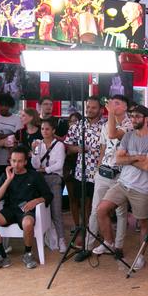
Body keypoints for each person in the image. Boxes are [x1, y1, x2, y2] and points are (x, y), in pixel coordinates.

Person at [94, 105, 148, 271]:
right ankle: (109, 242)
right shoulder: (128, 136)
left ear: (146, 119)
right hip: (123, 183)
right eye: (132, 116)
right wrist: (137, 157)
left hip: (142, 189)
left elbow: (147, 166)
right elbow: (118, 160)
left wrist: (128, 159)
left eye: (137, 116)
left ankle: (141, 256)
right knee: (101, 209)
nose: (133, 119)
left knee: (143, 222)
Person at [78, 95, 132, 261]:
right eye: (111, 103)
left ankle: (118, 246)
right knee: (95, 209)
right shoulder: (104, 125)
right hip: (104, 172)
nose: (112, 106)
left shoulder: (129, 124)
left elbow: (113, 134)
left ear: (125, 107)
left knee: (121, 212)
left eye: (117, 103)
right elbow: (103, 148)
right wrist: (98, 167)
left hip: (120, 174)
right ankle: (88, 246)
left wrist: (109, 114)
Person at [0, 146, 53, 271]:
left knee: (28, 223)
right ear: (10, 161)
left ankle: (28, 254)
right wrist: (8, 180)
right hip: (10, 209)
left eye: (20, 161)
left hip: (26, 210)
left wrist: (35, 201)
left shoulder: (34, 176)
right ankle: (2, 256)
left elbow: (48, 195)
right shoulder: (5, 176)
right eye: (13, 161)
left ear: (25, 162)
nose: (16, 164)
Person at [64, 96, 104, 236]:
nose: (89, 110)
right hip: (81, 171)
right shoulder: (78, 126)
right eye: (88, 107)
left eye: (93, 108)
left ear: (101, 110)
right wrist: (79, 149)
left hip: (99, 172)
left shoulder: (105, 127)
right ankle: (84, 229)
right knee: (81, 201)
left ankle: (94, 230)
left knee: (96, 204)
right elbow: (69, 146)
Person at [31, 118, 67, 253]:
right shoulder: (38, 144)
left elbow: (59, 164)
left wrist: (45, 169)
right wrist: (34, 151)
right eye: (42, 129)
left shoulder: (59, 145)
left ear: (53, 130)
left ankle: (61, 239)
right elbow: (34, 165)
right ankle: (47, 238)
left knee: (56, 210)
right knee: (41, 211)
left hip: (53, 179)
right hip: (39, 180)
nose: (44, 131)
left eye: (47, 129)